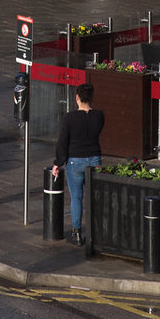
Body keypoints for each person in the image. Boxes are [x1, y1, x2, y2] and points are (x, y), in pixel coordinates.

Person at [52, 84, 105, 245]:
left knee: (76, 197)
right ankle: (96, 232)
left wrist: (57, 163)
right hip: (94, 160)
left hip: (75, 161)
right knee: (94, 197)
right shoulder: (99, 116)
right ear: (92, 98)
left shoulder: (70, 118)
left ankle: (76, 233)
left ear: (77, 97)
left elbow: (63, 142)